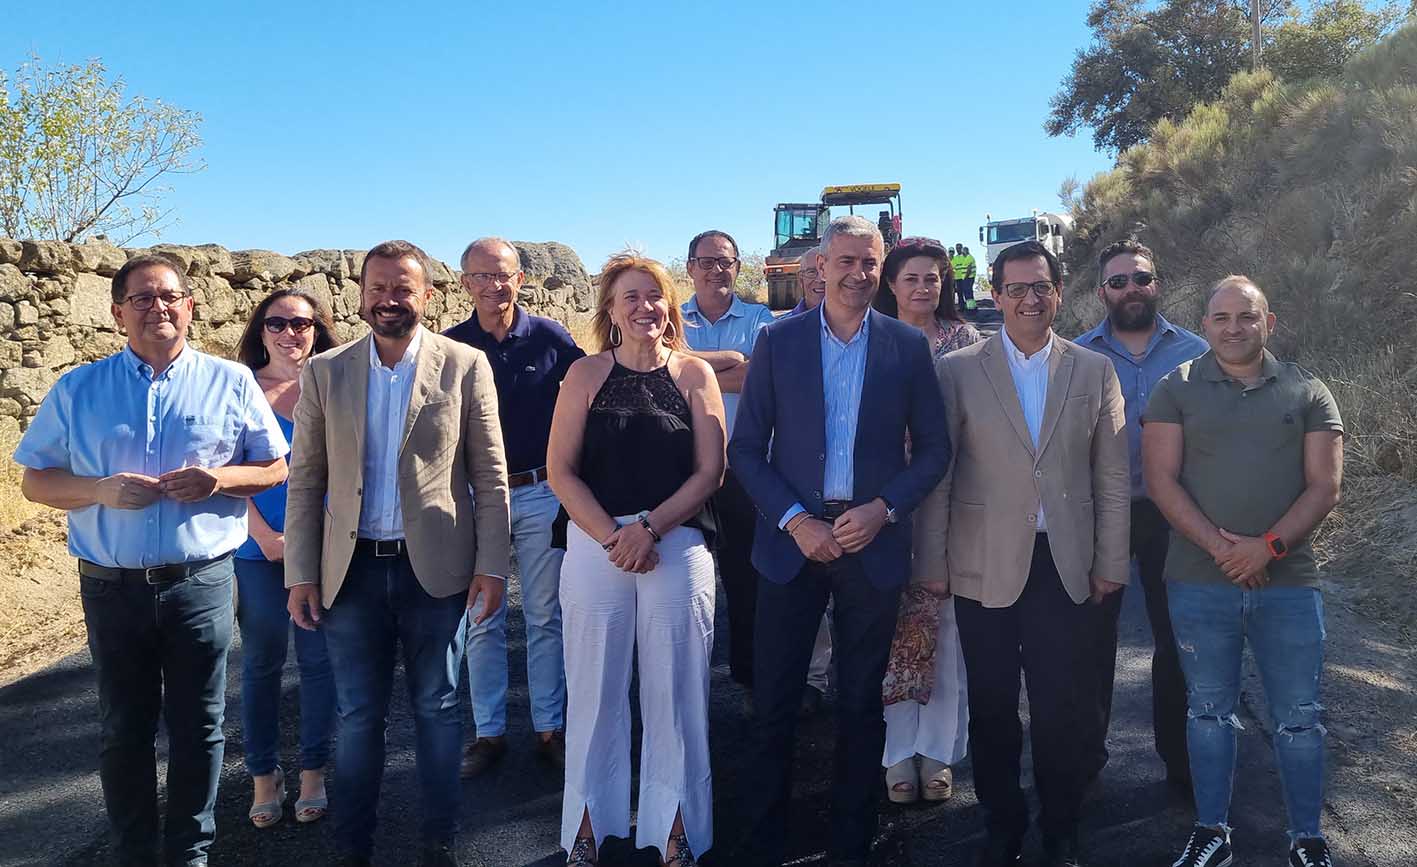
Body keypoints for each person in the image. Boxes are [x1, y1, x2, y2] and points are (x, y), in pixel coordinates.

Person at [14, 253, 289, 866]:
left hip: (201, 583)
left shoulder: (231, 381)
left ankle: (191, 852)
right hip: (113, 588)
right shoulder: (78, 388)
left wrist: (217, 480)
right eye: (141, 298)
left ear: (190, 306)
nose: (157, 307)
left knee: (200, 727)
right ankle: (134, 853)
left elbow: (275, 466)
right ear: (117, 314)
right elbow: (36, 482)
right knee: (124, 730)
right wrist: (98, 490)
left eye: (169, 296)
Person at [728, 216, 950, 867]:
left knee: (859, 703)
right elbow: (746, 450)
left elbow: (934, 449)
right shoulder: (777, 341)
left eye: (868, 262)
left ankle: (853, 841)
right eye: (846, 260)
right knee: (773, 701)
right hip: (791, 543)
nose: (858, 273)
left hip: (871, 544)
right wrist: (796, 519)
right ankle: (764, 838)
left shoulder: (905, 347)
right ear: (819, 266)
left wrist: (884, 507)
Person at [283, 240, 512, 867]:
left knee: (438, 710)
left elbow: (489, 476)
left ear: (427, 296)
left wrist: (493, 566)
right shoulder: (325, 372)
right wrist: (300, 571)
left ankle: (438, 844)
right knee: (358, 718)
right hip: (350, 573)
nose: (390, 299)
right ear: (360, 295)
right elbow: (305, 479)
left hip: (434, 569)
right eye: (378, 287)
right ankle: (353, 848)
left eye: (403, 288)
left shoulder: (464, 365)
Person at [913, 240, 1129, 867]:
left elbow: (1111, 477)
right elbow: (942, 476)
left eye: (1041, 288)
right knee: (993, 705)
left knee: (1062, 707)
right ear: (995, 294)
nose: (1030, 300)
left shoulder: (1094, 371)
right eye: (1016, 289)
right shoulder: (957, 372)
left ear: (1059, 292)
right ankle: (1001, 823)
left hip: (1063, 565)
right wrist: (931, 563)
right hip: (983, 565)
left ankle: (1060, 825)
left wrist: (1112, 561)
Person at [1143, 276, 1343, 867]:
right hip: (1198, 582)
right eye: (1222, 317)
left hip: (1290, 583)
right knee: (1207, 710)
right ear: (1205, 325)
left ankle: (1307, 838)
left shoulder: (1308, 390)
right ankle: (1212, 833)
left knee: (1300, 718)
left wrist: (1268, 548)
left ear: (1269, 322)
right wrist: (1224, 549)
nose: (1234, 328)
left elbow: (1325, 485)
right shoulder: (1174, 389)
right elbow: (1160, 481)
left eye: (1246, 317)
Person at [548, 253, 726, 867]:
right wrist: (613, 537)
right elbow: (560, 471)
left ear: (670, 305)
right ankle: (588, 825)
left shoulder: (696, 374)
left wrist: (649, 529)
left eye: (655, 296)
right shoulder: (584, 375)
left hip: (675, 543)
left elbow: (711, 472)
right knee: (594, 690)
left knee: (676, 693)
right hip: (597, 544)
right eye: (631, 296)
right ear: (611, 309)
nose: (645, 306)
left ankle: (676, 826)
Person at [444, 237, 586, 777]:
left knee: (547, 614)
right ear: (465, 284)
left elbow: (586, 397)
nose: (493, 286)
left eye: (502, 275)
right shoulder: (452, 347)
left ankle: (550, 727)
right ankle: (489, 733)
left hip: (542, 490)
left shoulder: (550, 337)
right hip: (478, 498)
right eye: (481, 276)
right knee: (482, 617)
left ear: (519, 279)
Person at [1075, 239, 1207, 791]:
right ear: (1101, 291)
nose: (1132, 288)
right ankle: (1083, 764)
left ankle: (1180, 764)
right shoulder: (1076, 356)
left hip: (1173, 513)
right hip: (1099, 513)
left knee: (1175, 640)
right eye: (1119, 281)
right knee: (1089, 642)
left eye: (1142, 278)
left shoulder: (1199, 353)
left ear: (1158, 284)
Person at [872, 237, 979, 804]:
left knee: (946, 628)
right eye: (911, 278)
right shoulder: (871, 339)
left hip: (952, 499)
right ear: (892, 283)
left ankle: (938, 751)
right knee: (890, 628)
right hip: (882, 501)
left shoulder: (969, 343)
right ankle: (896, 752)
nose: (922, 288)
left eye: (932, 278)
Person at [232, 288, 339, 828]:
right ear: (261, 329)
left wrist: (312, 540)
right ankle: (263, 776)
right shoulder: (238, 388)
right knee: (261, 664)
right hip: (256, 549)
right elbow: (223, 472)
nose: (289, 333)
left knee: (320, 664)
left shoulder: (333, 386)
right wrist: (265, 535)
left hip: (322, 550)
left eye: (301, 323)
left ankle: (314, 772)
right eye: (277, 322)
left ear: (317, 329)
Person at [680, 230, 776, 706]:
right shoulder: (669, 319)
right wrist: (726, 364)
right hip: (682, 470)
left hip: (742, 470)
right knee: (682, 579)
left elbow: (760, 376)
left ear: (739, 267)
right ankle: (682, 679)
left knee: (744, 576)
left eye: (725, 261)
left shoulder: (761, 319)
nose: (716, 269)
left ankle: (749, 673)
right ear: (690, 266)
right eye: (706, 261)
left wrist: (687, 370)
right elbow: (658, 371)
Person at [787, 246, 825, 315]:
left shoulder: (850, 324)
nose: (820, 279)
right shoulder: (783, 325)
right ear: (801, 279)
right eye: (812, 272)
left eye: (826, 271)